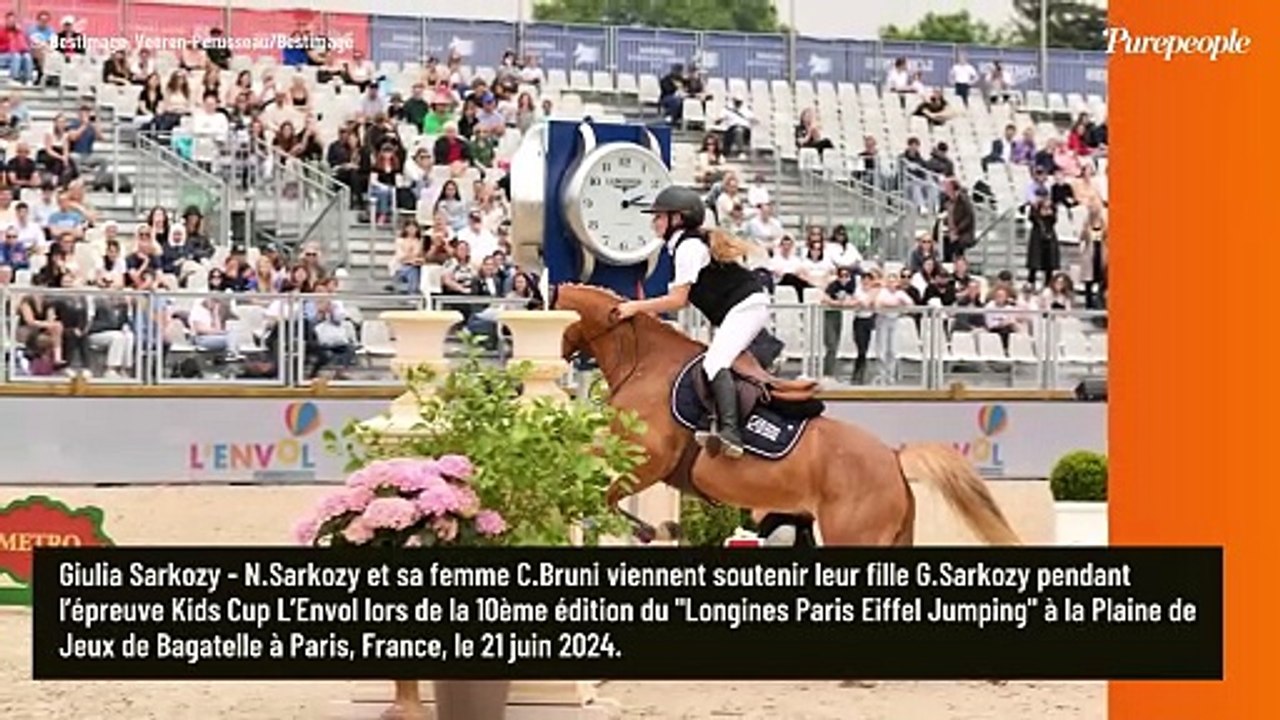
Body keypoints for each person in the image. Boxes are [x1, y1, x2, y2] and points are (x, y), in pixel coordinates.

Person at [614, 185, 770, 459]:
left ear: (678, 219)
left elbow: (678, 300)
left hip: (746, 306)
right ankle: (709, 418)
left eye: (659, 217)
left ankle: (730, 433)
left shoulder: (688, 247)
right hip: (742, 307)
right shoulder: (684, 245)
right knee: (711, 360)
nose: (654, 222)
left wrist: (635, 308)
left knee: (714, 362)